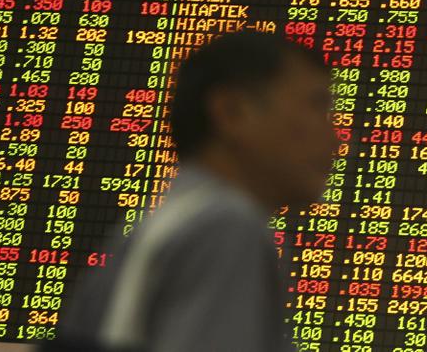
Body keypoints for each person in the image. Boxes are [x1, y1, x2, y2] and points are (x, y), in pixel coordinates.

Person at [42, 30, 337, 352]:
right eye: (316, 106)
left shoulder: (169, 224)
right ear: (232, 112)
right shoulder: (226, 229)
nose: (334, 139)